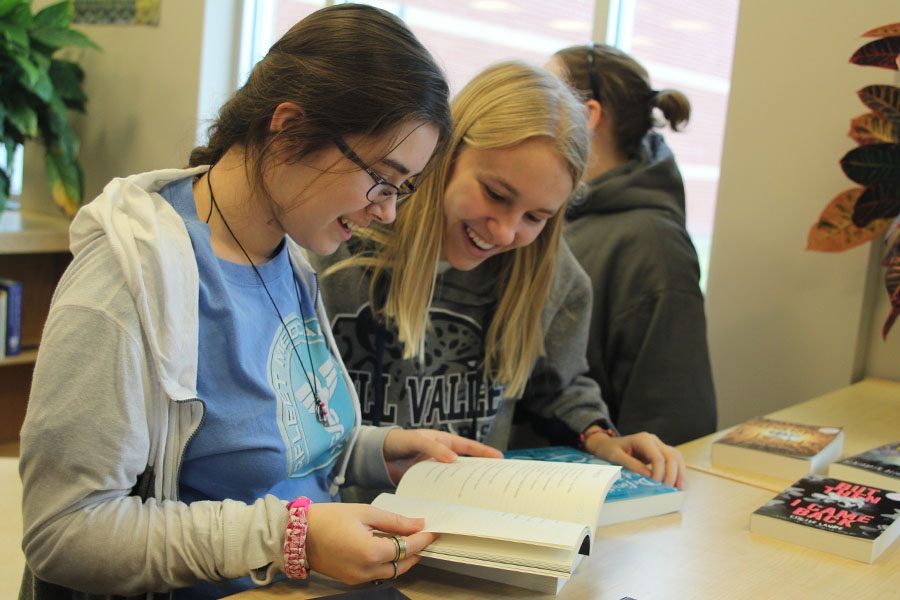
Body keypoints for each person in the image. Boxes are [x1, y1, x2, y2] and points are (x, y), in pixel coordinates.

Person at [18, 5, 501, 599]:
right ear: (290, 127)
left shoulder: (287, 256)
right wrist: (290, 537)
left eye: (403, 189)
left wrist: (380, 452)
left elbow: (278, 453)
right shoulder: (129, 278)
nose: (388, 212)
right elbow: (65, 532)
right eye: (381, 179)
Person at [311, 61, 685, 494]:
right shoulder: (339, 246)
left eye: (535, 216)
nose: (506, 232)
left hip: (468, 524)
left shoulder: (551, 274)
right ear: (446, 154)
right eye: (496, 194)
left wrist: (600, 437)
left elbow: (558, 387)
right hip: (341, 533)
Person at [545, 44, 717, 445]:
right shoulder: (546, 218)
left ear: (587, 116)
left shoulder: (653, 246)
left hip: (582, 489)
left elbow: (672, 420)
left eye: (543, 95)